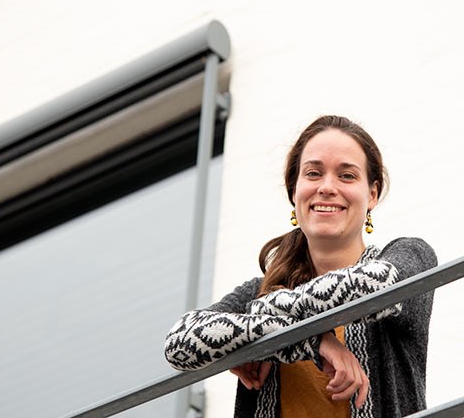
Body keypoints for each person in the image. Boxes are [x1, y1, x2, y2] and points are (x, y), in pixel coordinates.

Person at [164, 115, 437, 417]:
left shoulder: (411, 256)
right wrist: (310, 341)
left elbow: (376, 285)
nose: (327, 187)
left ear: (371, 194)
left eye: (346, 176)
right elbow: (179, 343)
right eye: (313, 173)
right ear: (294, 190)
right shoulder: (261, 289)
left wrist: (267, 325)